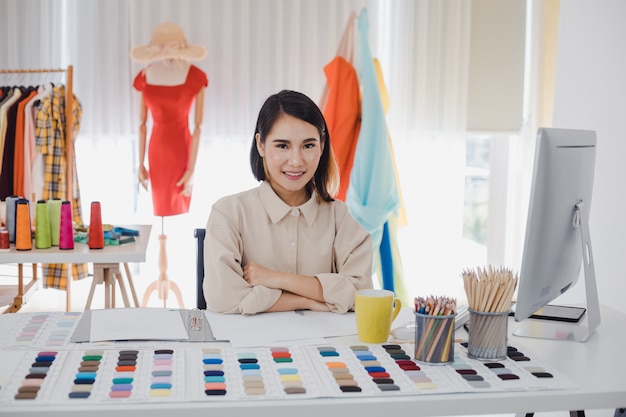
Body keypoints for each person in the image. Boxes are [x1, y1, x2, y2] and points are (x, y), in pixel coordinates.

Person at [203, 90, 373, 315]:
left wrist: (274, 279)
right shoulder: (228, 213)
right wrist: (309, 300)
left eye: (308, 145)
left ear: (322, 146)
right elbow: (223, 299)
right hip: (253, 345)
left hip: (322, 345)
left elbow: (360, 294)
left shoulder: (339, 218)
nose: (296, 161)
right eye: (282, 146)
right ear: (261, 145)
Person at [130, 21, 208, 216]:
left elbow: (198, 127)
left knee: (179, 204)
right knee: (159, 206)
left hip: (182, 149)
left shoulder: (195, 77)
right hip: (156, 151)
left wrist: (191, 169)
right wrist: (140, 164)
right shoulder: (146, 75)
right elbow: (142, 124)